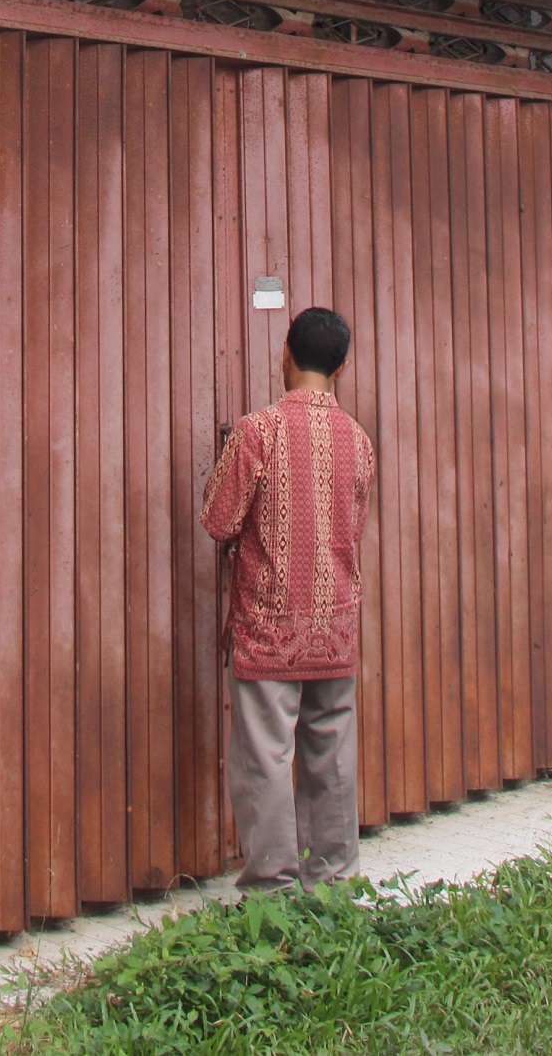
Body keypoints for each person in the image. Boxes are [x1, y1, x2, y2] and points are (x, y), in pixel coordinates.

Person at [199, 305, 376, 891]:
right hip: (335, 622)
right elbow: (354, 529)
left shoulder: (258, 432)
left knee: (266, 755)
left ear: (285, 353)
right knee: (332, 751)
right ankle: (336, 882)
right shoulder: (359, 441)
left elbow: (219, 521)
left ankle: (272, 892)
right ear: (341, 366)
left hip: (269, 624)